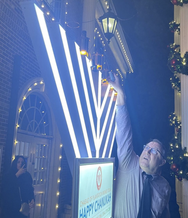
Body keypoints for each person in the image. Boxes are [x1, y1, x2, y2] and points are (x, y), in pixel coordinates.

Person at [110, 74, 171, 218]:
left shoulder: (165, 187)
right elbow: (124, 132)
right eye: (146, 148)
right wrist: (121, 96)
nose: (147, 152)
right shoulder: (129, 163)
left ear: (162, 162)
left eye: (154, 151)